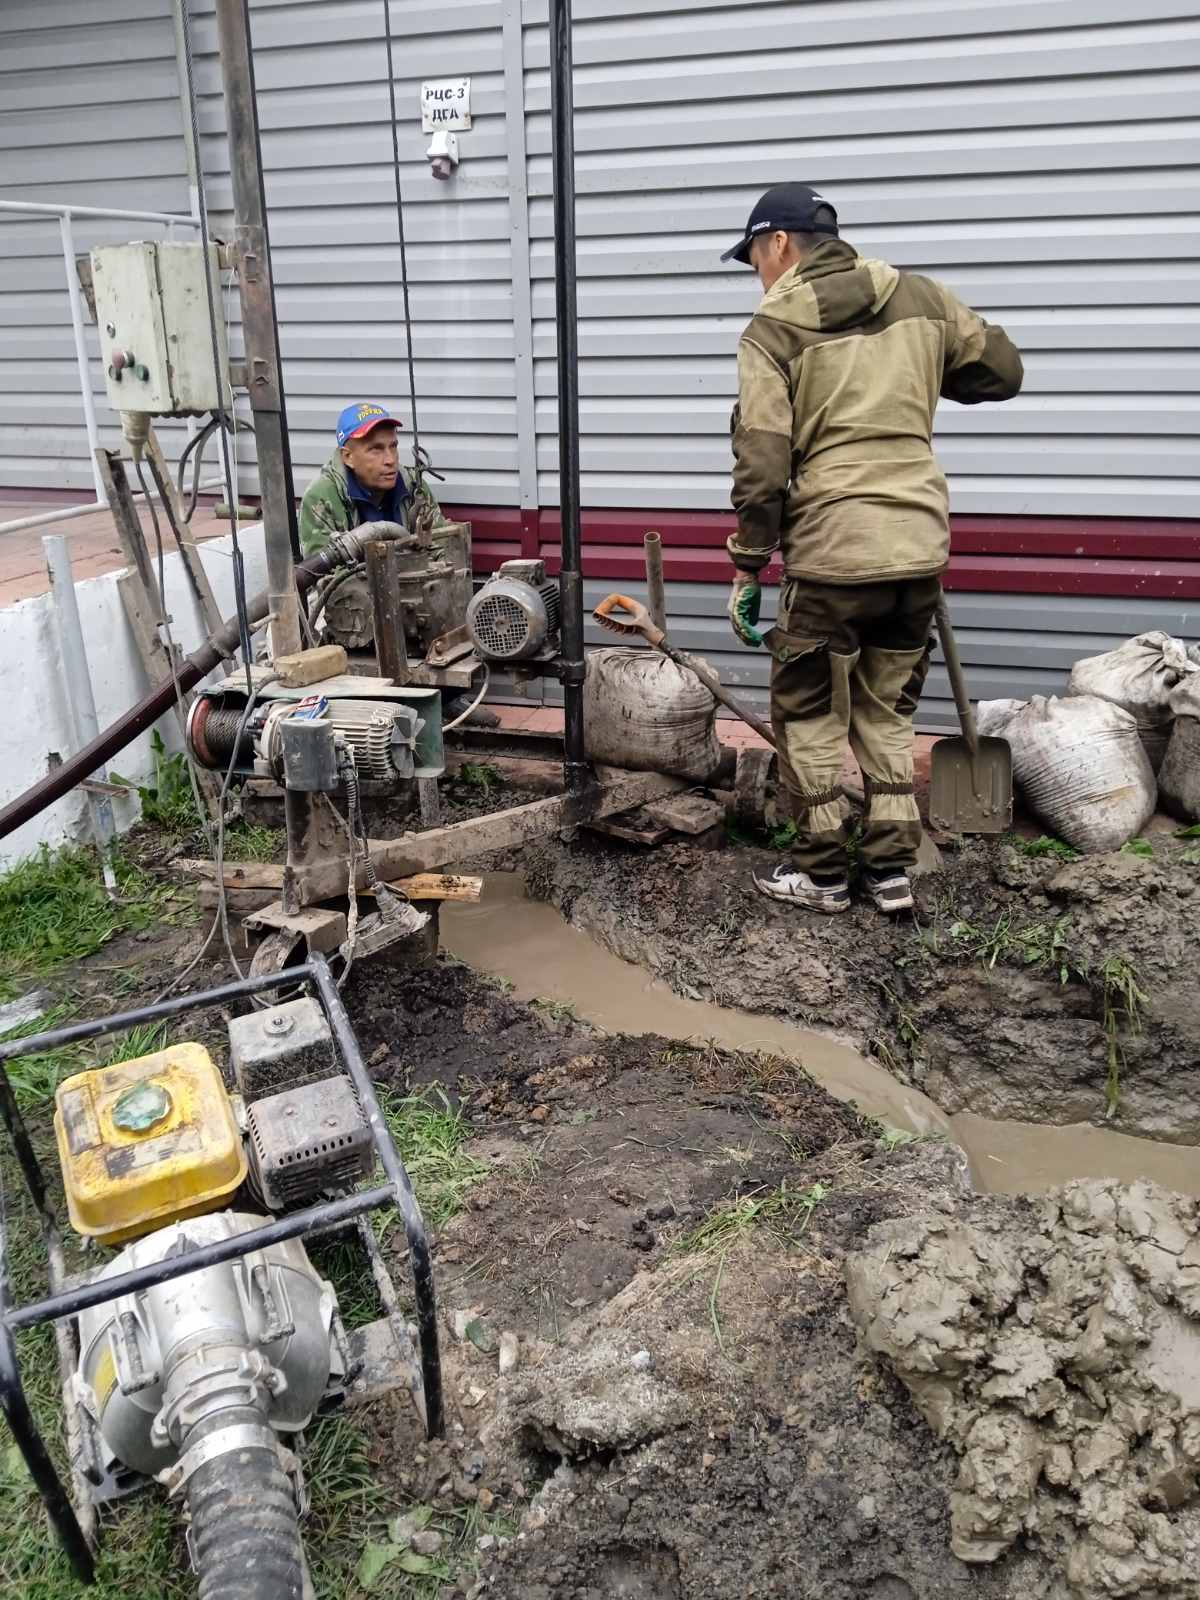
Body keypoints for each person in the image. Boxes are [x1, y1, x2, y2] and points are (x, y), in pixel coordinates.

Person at [721, 183, 1022, 915]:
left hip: (833, 552)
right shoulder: (921, 297)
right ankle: (890, 872)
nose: (757, 272)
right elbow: (1002, 373)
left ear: (780, 245)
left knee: (812, 711)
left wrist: (748, 563)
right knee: (887, 709)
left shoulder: (772, 325)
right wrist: (916, 371)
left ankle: (823, 875)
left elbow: (762, 460)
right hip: (919, 547)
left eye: (754, 257)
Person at [298, 401, 442, 555]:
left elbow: (442, 543)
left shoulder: (413, 486)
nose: (390, 460)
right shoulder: (321, 498)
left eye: (393, 446)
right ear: (348, 457)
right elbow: (320, 573)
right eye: (376, 449)